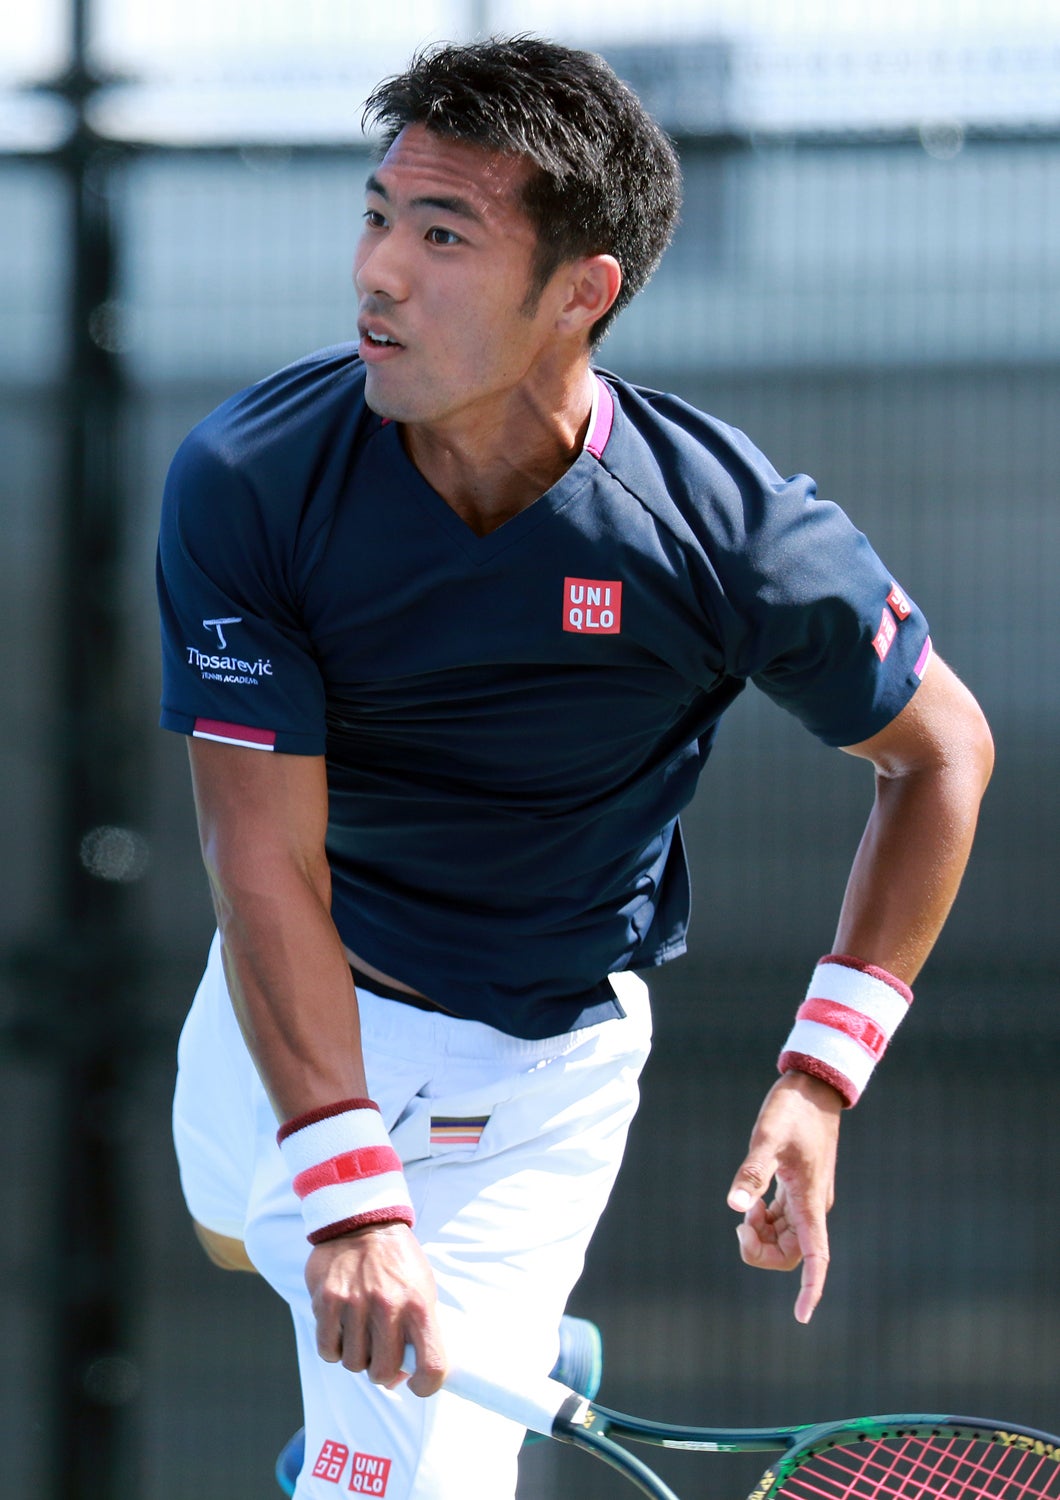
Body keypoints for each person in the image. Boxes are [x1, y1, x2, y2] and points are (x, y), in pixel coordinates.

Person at [156, 36, 994, 1500]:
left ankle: (462, 1353)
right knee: (243, 1233)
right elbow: (260, 855)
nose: (377, 271)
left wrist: (820, 1076)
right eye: (377, 215)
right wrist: (347, 1193)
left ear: (580, 291)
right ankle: (527, 1346)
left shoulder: (727, 536)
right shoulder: (249, 478)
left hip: (518, 1087)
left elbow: (942, 754)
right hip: (275, 1006)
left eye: (442, 236)